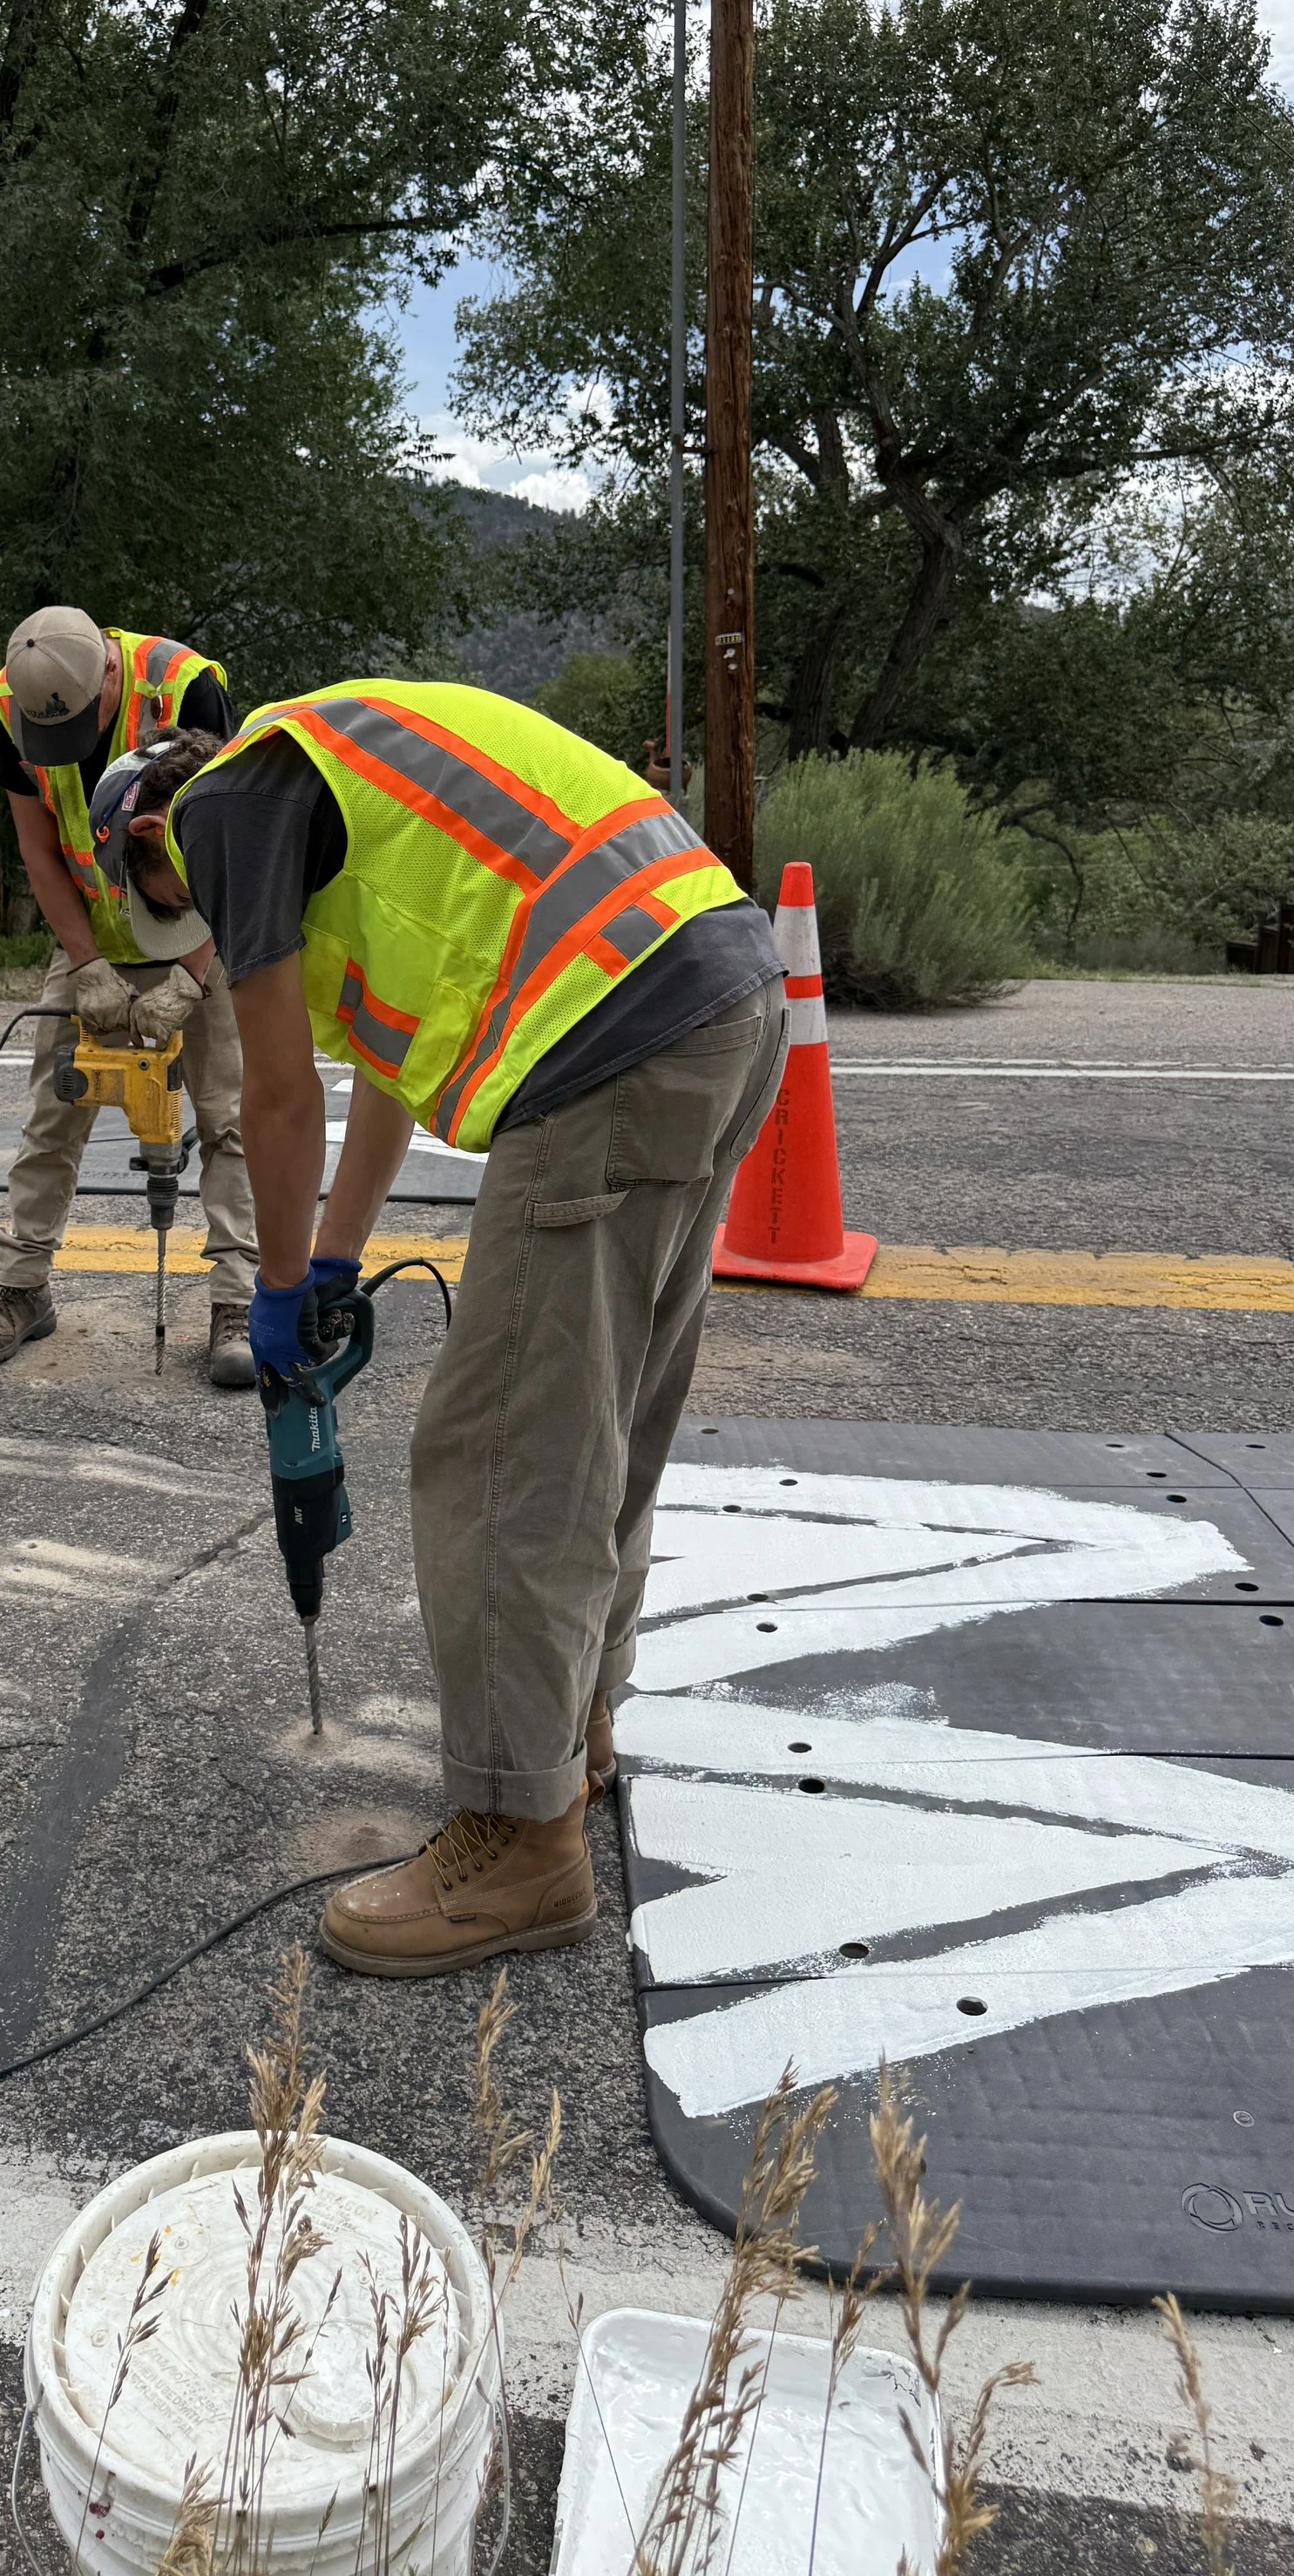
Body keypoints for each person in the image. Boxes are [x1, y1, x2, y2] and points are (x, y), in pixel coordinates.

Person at [123, 681, 790, 1977]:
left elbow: (272, 1094)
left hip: (611, 1034)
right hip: (720, 989)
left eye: (161, 898)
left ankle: (521, 1833)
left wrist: (267, 1291)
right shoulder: (348, 799)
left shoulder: (227, 803)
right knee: (603, 1420)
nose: (189, 924)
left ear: (151, 831)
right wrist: (328, 1258)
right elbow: (386, 1074)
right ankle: (576, 1728)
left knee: (502, 1452)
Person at [0, 604, 260, 1388]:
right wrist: (87, 962)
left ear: (109, 682)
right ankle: (22, 1288)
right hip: (91, 928)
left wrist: (193, 975)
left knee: (228, 1118)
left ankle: (237, 1301)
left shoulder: (184, 691)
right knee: (53, 1113)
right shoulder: (11, 702)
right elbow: (37, 848)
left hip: (193, 925)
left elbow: (226, 845)